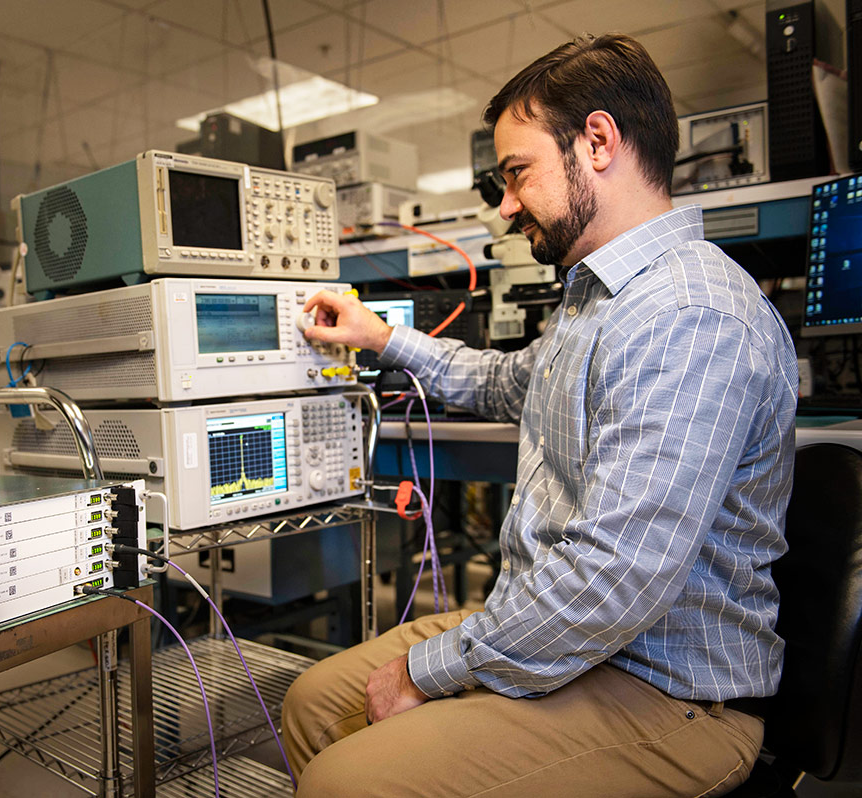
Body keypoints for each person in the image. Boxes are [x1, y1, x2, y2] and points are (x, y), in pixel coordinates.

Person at [282, 33, 798, 798]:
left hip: (665, 688)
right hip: (571, 637)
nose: (506, 205)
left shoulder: (689, 313)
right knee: (312, 707)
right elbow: (506, 382)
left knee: (346, 780)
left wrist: (434, 672)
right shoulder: (596, 299)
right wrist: (383, 338)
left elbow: (611, 581)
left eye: (517, 173)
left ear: (597, 142)